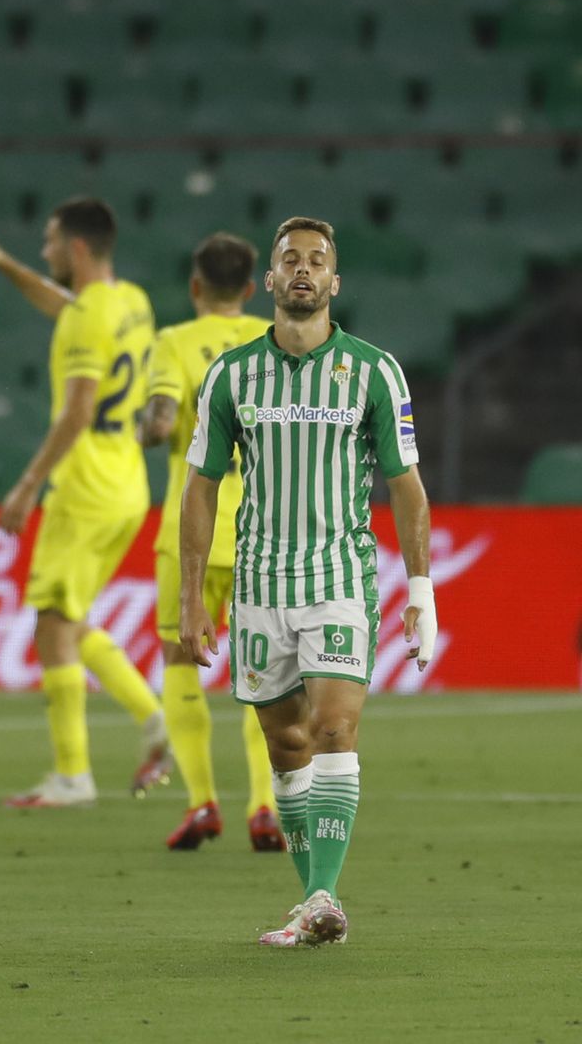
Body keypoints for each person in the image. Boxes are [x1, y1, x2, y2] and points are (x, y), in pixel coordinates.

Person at [180, 216, 438, 946]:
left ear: (334, 282)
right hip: (259, 584)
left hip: (338, 577)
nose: (302, 269)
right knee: (286, 746)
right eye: (289, 258)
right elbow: (199, 489)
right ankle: (313, 899)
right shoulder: (231, 374)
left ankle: (326, 893)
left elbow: (406, 485)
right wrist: (190, 595)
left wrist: (420, 591)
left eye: (316, 260)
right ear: (268, 281)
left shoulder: (374, 370)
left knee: (332, 728)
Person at [0, 197, 169, 808]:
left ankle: (72, 776)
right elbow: (67, 308)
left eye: (50, 241)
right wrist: (2, 264)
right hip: (129, 484)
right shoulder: (130, 301)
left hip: (84, 488)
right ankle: (155, 723)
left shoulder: (87, 318)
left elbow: (77, 410)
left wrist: (26, 486)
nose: (45, 250)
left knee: (52, 625)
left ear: (76, 248)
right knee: (71, 619)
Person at [139, 232, 284, 852]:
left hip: (192, 535)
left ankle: (201, 803)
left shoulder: (173, 342)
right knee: (269, 675)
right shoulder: (272, 339)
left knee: (179, 661)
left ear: (196, 286)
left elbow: (162, 421)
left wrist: (153, 423)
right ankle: (265, 807)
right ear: (252, 289)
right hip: (261, 532)